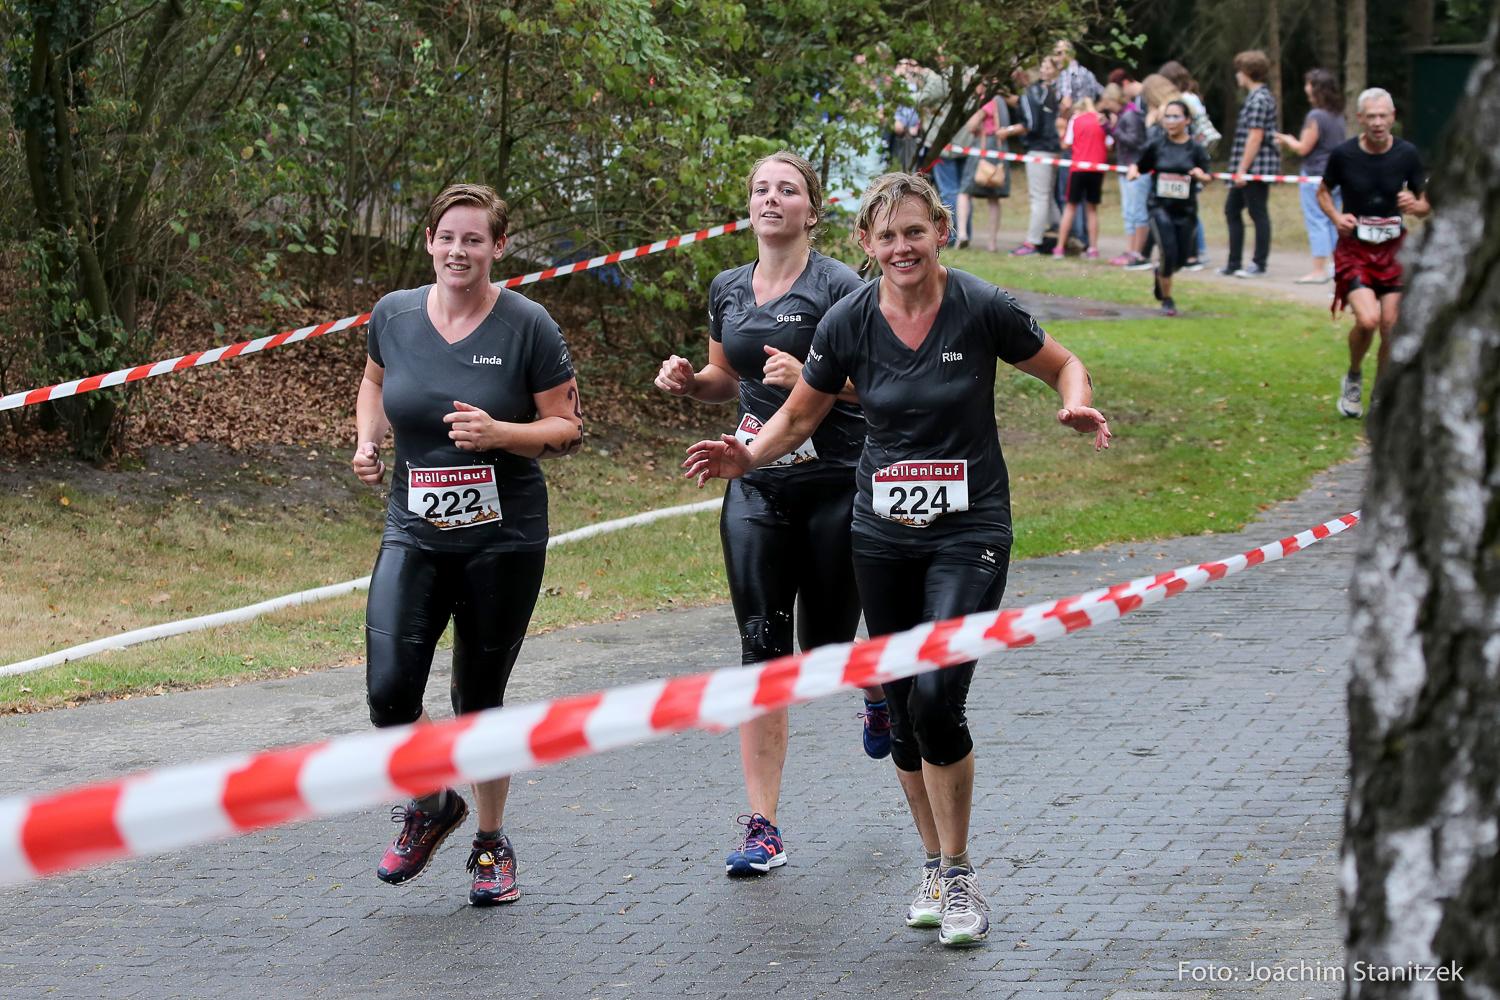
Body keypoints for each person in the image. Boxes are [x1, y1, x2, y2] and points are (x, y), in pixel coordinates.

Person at [683, 172, 1110, 948]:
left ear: (941, 231)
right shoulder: (849, 319)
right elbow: (798, 415)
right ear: (867, 245)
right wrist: (746, 457)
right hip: (881, 535)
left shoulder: (980, 305)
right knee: (908, 712)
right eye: (887, 236)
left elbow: (1062, 363)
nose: (902, 247)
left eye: (915, 231)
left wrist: (1073, 402)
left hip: (968, 530)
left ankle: (960, 871)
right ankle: (935, 865)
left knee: (939, 698)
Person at [654, 151, 890, 878]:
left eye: (787, 190)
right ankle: (763, 826)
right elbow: (726, 377)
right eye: (761, 189)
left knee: (823, 650)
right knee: (761, 651)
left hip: (834, 483)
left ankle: (875, 687)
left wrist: (818, 380)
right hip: (757, 484)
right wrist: (691, 382)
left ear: (811, 211)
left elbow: (884, 383)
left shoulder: (842, 287)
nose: (771, 199)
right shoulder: (728, 287)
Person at [352, 183, 583, 906]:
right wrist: (368, 440)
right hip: (414, 531)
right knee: (389, 692)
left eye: (474, 239)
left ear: (498, 247)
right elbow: (373, 383)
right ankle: (432, 801)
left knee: (477, 696)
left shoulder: (528, 325)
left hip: (502, 539)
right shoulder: (393, 315)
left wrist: (500, 433)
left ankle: (490, 840)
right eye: (447, 237)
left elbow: (568, 429)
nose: (459, 251)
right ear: (429, 242)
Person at [1318, 88, 1429, 418]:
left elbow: (1426, 202)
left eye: (1383, 116)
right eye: (1372, 117)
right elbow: (1323, 192)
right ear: (1360, 119)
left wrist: (1416, 205)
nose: (1378, 122)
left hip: (1394, 250)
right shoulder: (1344, 155)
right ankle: (1353, 376)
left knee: (1391, 326)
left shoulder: (1407, 154)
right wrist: (1336, 217)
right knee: (1368, 321)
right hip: (1355, 250)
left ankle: (1381, 394)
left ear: (1393, 117)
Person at [1128, 100, 1214, 316]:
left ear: (1187, 120)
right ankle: (1167, 299)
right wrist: (1133, 170)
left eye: (1176, 116)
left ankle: (1161, 274)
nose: (1171, 121)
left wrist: (1201, 175)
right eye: (1167, 116)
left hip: (1185, 211)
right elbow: (1139, 164)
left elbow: (1208, 175)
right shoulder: (1157, 145)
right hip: (1159, 207)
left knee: (1179, 260)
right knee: (1167, 250)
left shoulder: (1195, 148)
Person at [1276, 69, 1347, 284]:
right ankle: (1336, 265)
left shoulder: (1315, 116)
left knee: (1317, 220)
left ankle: (1318, 270)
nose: (1305, 88)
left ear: (1316, 88)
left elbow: (1303, 148)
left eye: (1308, 84)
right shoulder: (1338, 115)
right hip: (1336, 174)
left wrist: (1287, 140)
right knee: (1333, 219)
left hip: (1316, 175)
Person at [1221, 50, 1280, 278]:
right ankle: (1234, 262)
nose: (1237, 75)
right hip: (1246, 168)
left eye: (1239, 71)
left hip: (1255, 168)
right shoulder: (1254, 98)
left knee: (1257, 213)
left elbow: (1255, 136)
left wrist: (1242, 170)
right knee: (1232, 209)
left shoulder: (1259, 99)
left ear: (1246, 72)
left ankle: (1258, 263)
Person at [1158, 61, 1219, 269]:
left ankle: (1196, 251)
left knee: (1188, 209)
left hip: (1189, 160)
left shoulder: (1185, 100)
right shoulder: (1190, 98)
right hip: (1183, 160)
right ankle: (1191, 251)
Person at [957, 85, 1024, 251]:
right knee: (994, 198)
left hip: (983, 149)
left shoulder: (987, 102)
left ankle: (962, 234)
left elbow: (971, 125)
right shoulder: (1002, 101)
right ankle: (992, 243)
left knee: (964, 193)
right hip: (1000, 151)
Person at [1010, 56, 1062, 256]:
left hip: (1039, 149)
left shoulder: (1030, 92)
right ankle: (1061, 231)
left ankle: (1032, 242)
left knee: (1039, 196)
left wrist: (1008, 131)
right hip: (1053, 148)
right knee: (1047, 195)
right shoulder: (1050, 91)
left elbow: (1031, 124)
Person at [1053, 96, 1108, 260]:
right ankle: (1093, 248)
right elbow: (1109, 143)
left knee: (1070, 207)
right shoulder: (1101, 120)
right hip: (1097, 169)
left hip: (1078, 168)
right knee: (1092, 209)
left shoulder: (1075, 120)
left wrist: (1060, 131)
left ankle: (1059, 247)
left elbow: (1066, 144)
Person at [1107, 73, 1151, 267]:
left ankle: (1137, 252)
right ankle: (1130, 250)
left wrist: (1116, 130)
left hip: (1135, 168)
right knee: (1129, 213)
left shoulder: (1131, 115)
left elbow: (1136, 141)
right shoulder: (1125, 115)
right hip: (1125, 168)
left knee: (1136, 212)